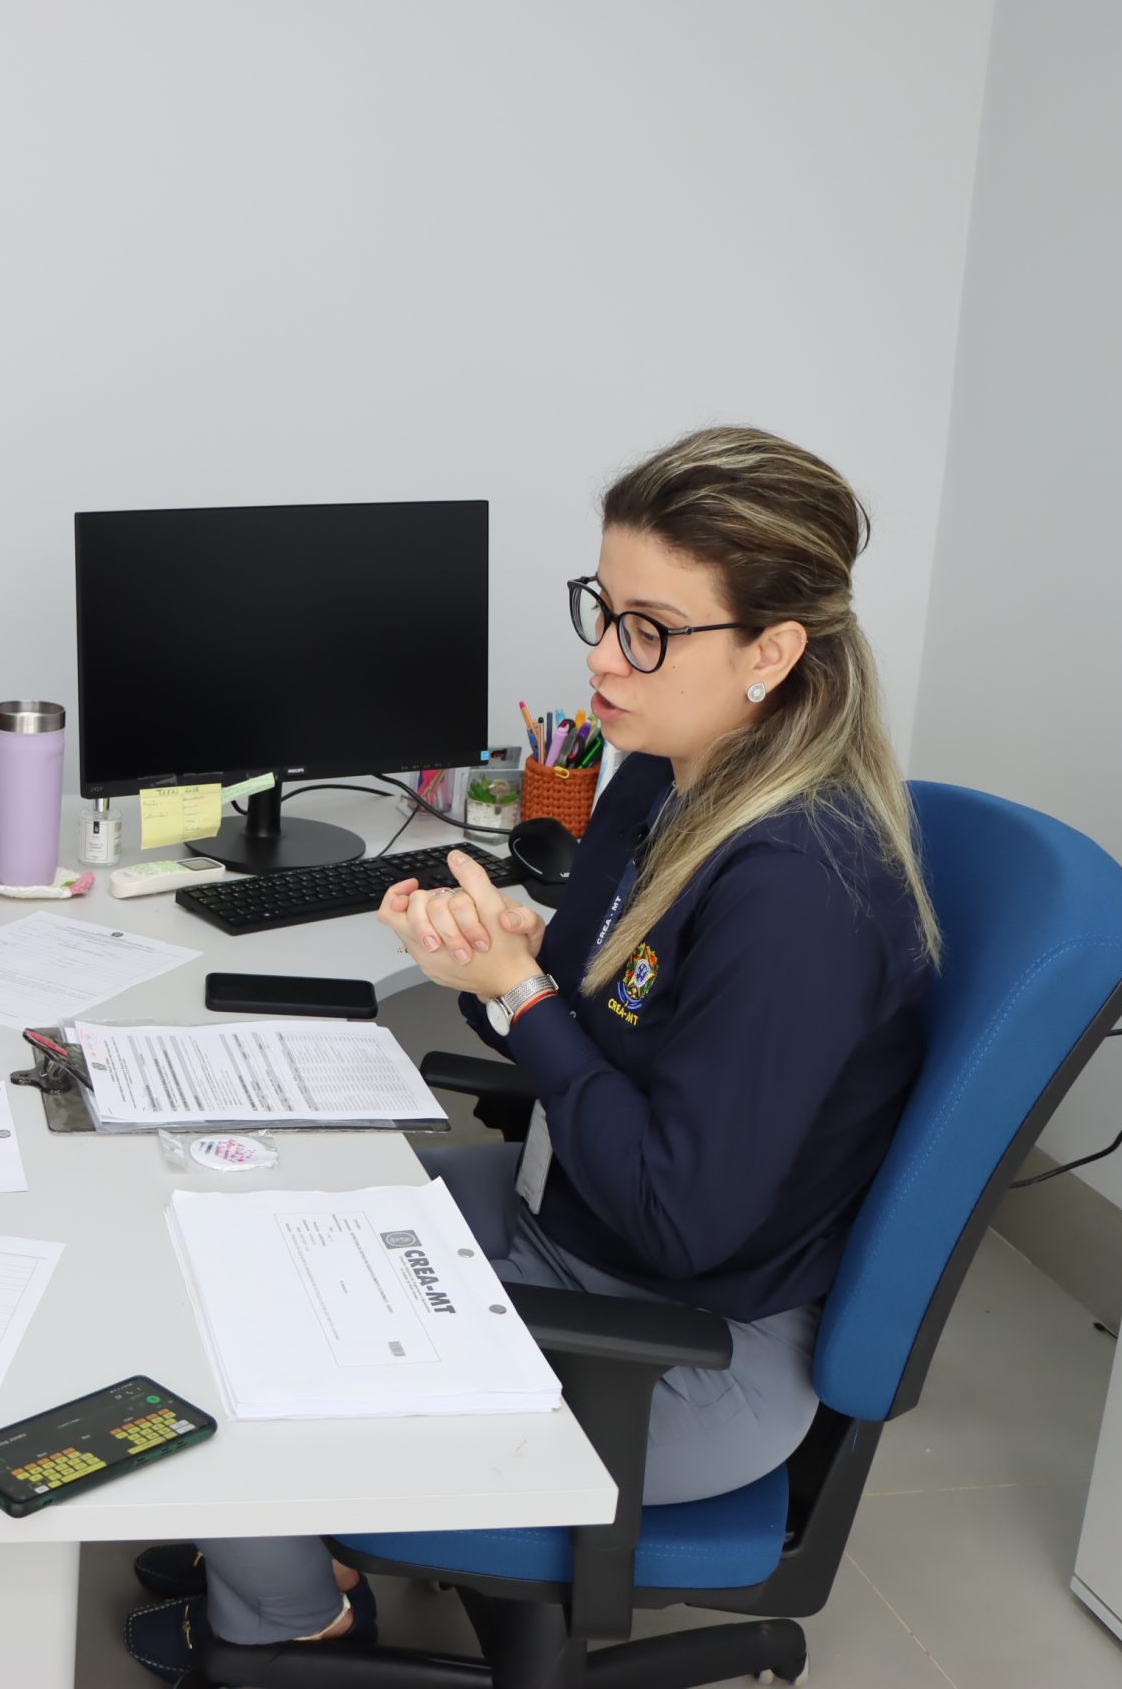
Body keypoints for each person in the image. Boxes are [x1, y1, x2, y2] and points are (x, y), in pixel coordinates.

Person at [123, 426, 941, 1679]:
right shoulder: (660, 775)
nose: (603, 657)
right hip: (572, 1224)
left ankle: (290, 1621)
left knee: (248, 1342)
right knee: (218, 1214)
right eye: (603, 610)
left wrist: (521, 996)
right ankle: (289, 1551)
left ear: (772, 653)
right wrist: (504, 967)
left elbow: (682, 1216)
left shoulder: (799, 888)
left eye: (649, 631)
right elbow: (591, 1016)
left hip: (676, 1353)